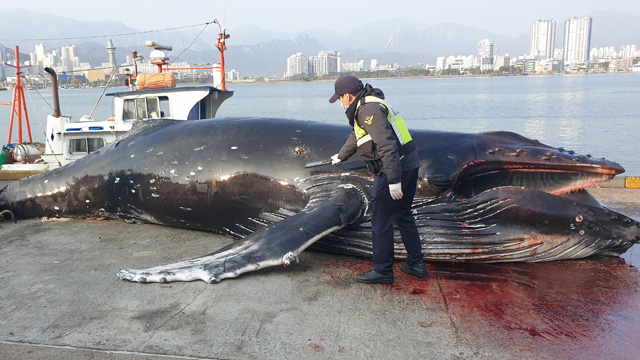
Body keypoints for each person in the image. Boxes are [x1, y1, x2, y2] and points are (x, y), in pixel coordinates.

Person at [329, 75, 428, 284]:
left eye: (340, 98)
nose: (340, 102)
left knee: (381, 220)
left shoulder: (367, 110)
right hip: (409, 164)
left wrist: (393, 180)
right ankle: (416, 263)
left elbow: (387, 146)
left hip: (392, 169)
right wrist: (341, 156)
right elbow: (358, 136)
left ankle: (383, 270)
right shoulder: (369, 104)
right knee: (403, 214)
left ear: (347, 96)